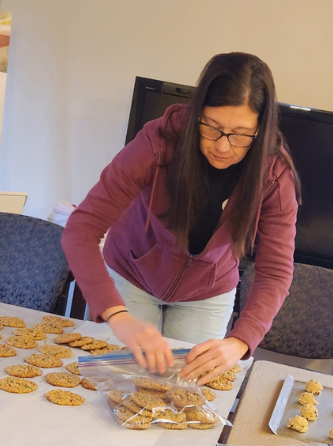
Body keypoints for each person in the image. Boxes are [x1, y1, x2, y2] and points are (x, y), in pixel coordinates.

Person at [61, 52, 301, 383]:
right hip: (133, 275)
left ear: (260, 129)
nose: (224, 146)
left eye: (241, 134)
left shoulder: (274, 173)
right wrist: (117, 315)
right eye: (212, 127)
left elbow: (275, 271)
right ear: (196, 114)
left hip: (207, 292)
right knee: (118, 385)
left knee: (184, 392)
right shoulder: (157, 142)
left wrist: (240, 341)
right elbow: (81, 229)